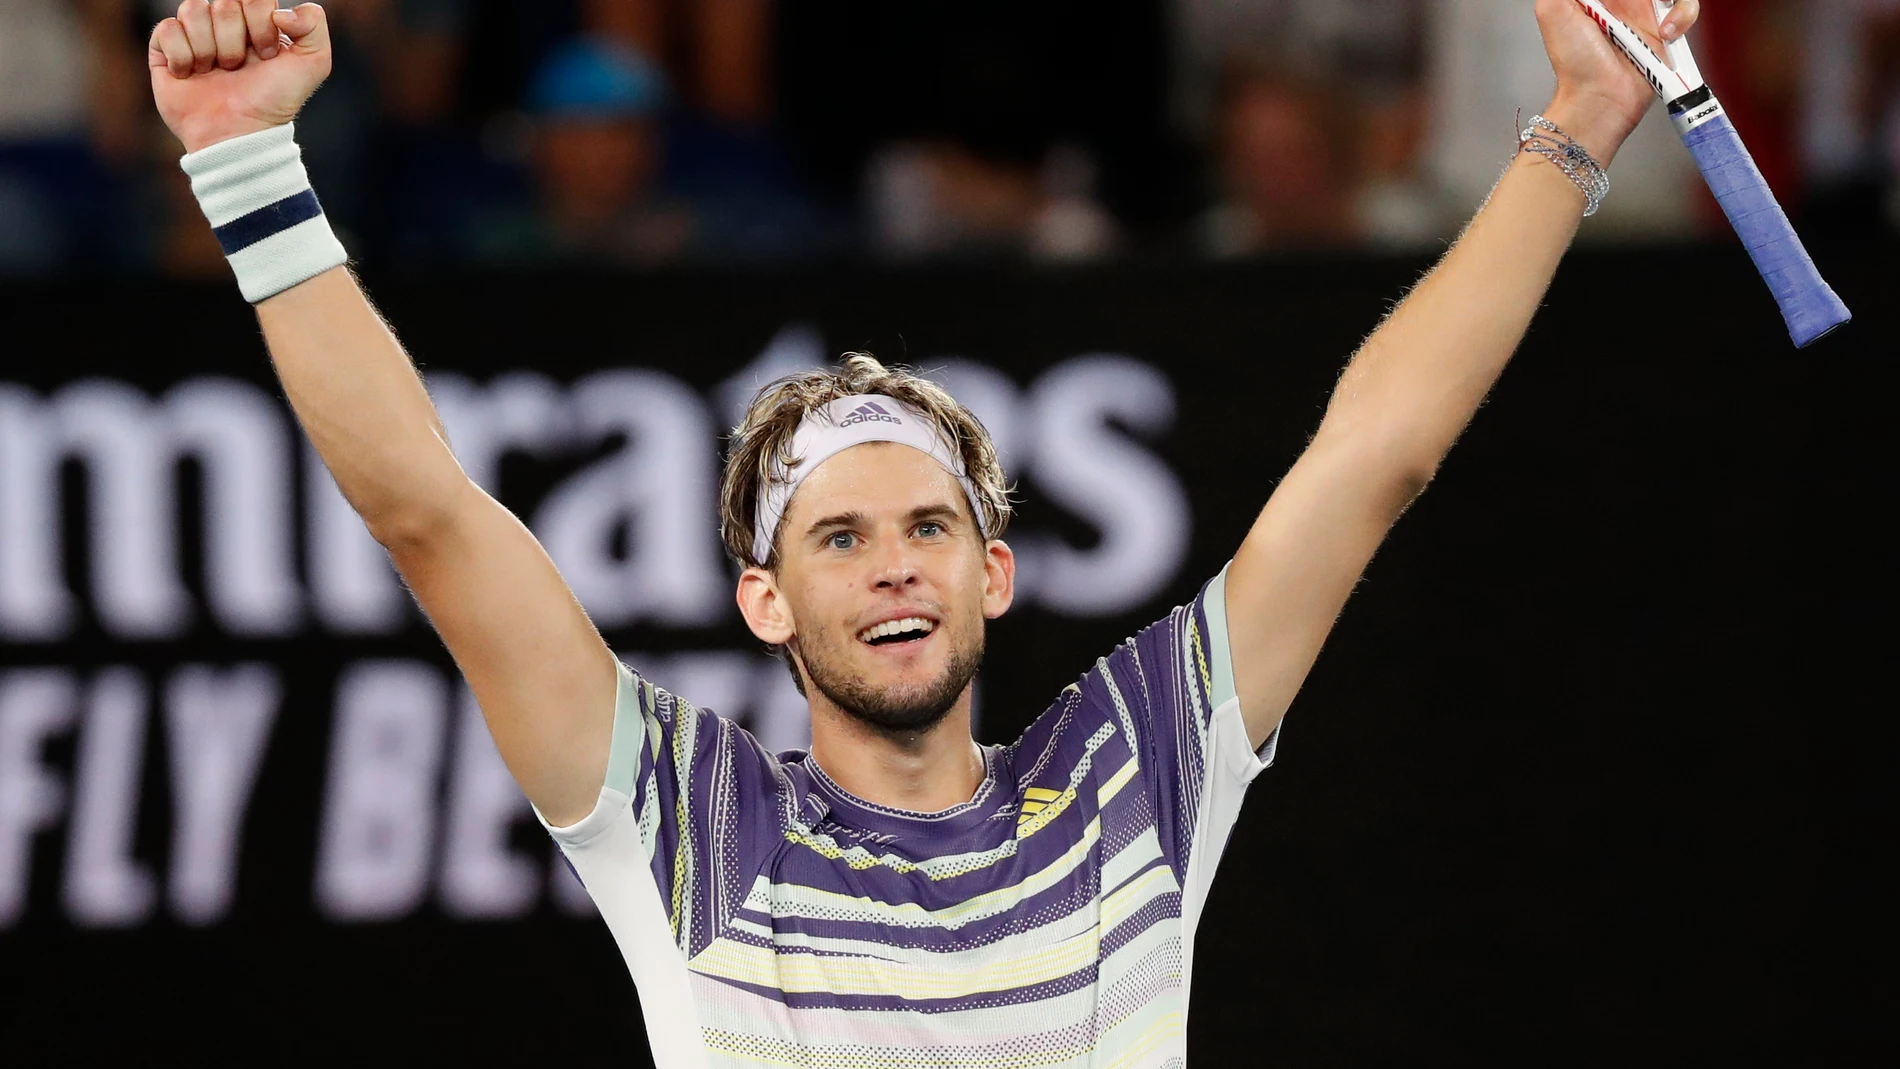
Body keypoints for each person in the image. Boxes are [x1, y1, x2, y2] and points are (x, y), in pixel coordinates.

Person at [145, 1, 1700, 1064]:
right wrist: (243, 155)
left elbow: (1377, 456)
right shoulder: (685, 819)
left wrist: (1580, 118)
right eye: (837, 538)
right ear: (764, 602)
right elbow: (424, 512)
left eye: (928, 526)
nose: (893, 558)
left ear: (992, 574)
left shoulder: (1130, 778)